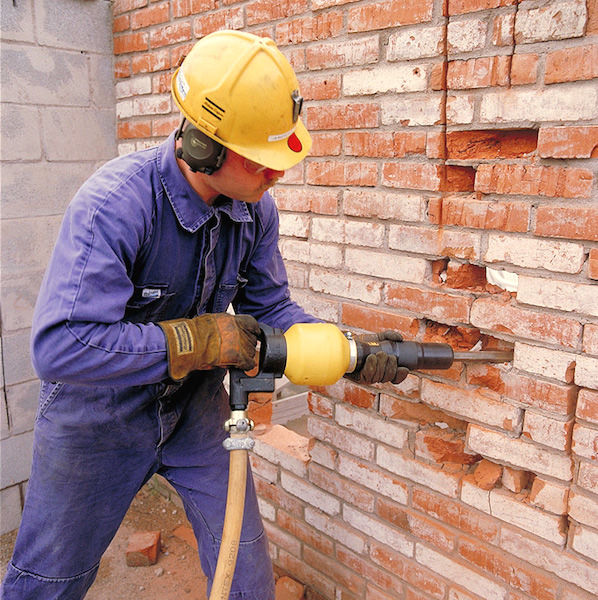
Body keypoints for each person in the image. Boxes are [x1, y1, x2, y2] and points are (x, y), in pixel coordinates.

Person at [1, 30, 408, 599]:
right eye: (261, 162)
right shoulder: (115, 206)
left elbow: (271, 308)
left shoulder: (253, 211)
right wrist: (199, 341)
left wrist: (349, 349)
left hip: (193, 411)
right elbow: (60, 347)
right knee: (48, 583)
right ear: (204, 147)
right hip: (96, 421)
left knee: (245, 574)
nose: (277, 175)